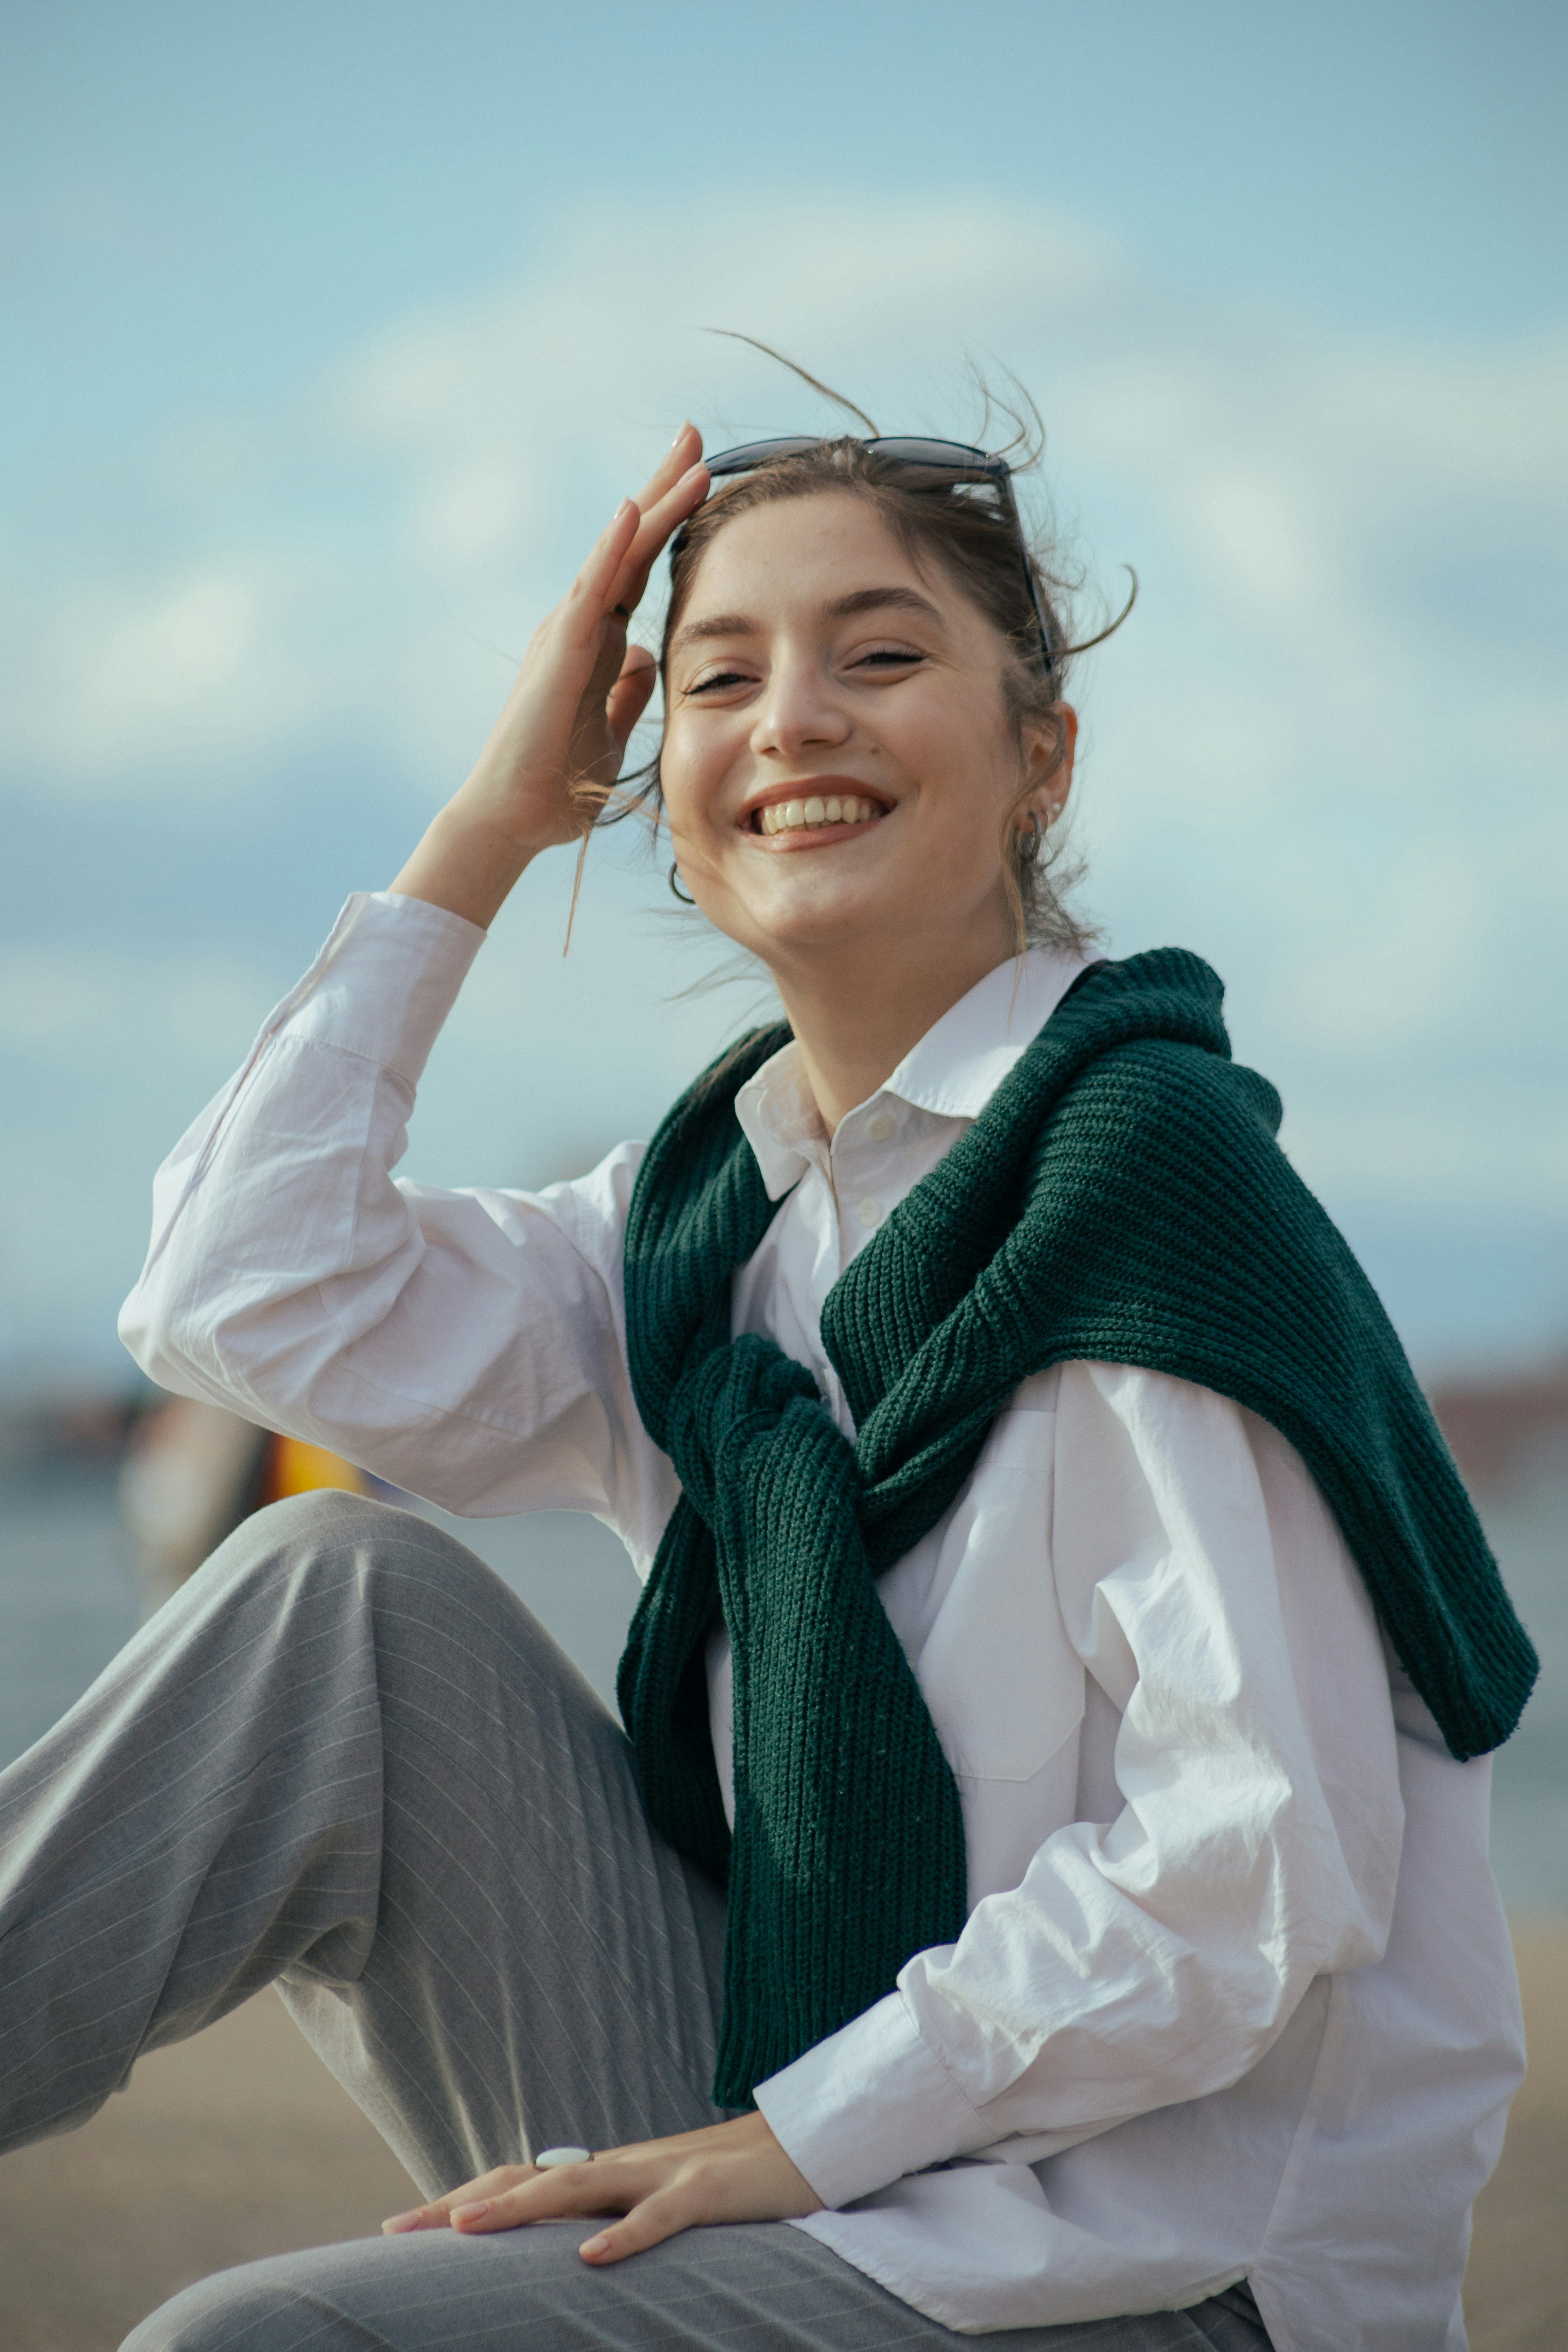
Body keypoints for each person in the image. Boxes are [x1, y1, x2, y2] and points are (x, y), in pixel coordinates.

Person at [0, 401, 1536, 2352]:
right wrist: (488, 821)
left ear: (1038, 758)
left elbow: (1252, 1872)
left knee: (254, 2340)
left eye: (881, 657)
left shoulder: (1146, 1185)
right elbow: (239, 1295)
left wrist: (804, 2143)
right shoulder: (705, 1223)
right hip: (827, 2143)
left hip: (1165, 2261)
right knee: (336, 1608)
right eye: (721, 679)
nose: (796, 716)